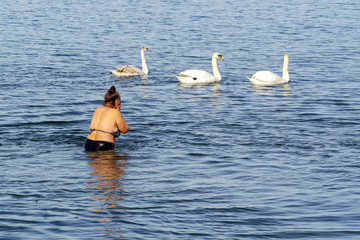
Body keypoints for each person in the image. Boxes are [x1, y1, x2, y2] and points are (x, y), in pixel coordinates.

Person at [85, 86, 129, 151]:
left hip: (89, 143)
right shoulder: (115, 112)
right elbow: (125, 130)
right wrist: (118, 112)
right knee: (125, 159)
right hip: (103, 144)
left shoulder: (98, 109)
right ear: (116, 101)